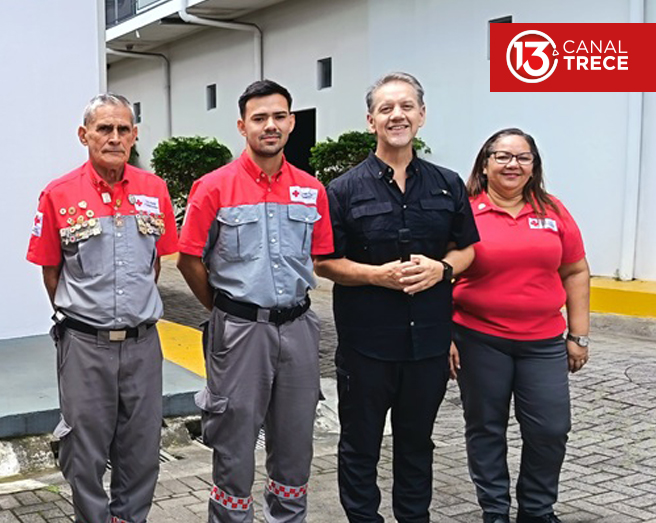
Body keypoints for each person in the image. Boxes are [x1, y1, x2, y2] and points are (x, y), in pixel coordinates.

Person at [314, 71, 480, 523]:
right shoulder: (342, 190)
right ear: (371, 121)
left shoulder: (447, 184)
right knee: (360, 444)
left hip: (426, 345)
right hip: (366, 346)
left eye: (406, 106)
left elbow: (467, 249)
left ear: (421, 116)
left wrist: (442, 269)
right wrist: (376, 275)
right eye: (386, 108)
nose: (397, 115)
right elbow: (324, 262)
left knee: (416, 444)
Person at [177, 79, 333, 523]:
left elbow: (321, 257)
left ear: (292, 122)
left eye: (279, 116)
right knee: (234, 439)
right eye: (260, 118)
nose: (270, 125)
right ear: (242, 126)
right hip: (240, 331)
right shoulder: (213, 187)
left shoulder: (311, 189)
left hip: (300, 329)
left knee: (295, 439)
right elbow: (189, 260)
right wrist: (226, 310)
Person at [25, 93, 179, 523]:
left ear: (134, 135)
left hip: (142, 345)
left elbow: (154, 264)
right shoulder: (58, 194)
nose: (114, 137)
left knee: (142, 446)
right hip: (84, 344)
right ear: (84, 134)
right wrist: (85, 314)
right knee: (84, 448)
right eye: (104, 128)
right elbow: (51, 271)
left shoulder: (155, 190)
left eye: (123, 129)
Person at [449, 128, 590, 523]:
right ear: (485, 162)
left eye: (523, 157)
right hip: (479, 339)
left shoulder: (553, 211)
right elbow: (442, 275)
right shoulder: (464, 211)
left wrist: (578, 335)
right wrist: (445, 337)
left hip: (543, 342)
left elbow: (576, 270)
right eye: (503, 156)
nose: (513, 164)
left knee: (550, 428)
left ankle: (536, 510)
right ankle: (495, 511)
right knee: (486, 429)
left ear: (533, 166)